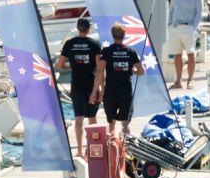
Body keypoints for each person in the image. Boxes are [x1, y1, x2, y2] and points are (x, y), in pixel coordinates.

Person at [56, 17, 101, 157]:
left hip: (76, 86)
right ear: (88, 29)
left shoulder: (69, 44)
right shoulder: (94, 44)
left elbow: (60, 65)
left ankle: (80, 151)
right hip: (91, 85)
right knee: (92, 118)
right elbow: (100, 68)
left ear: (77, 28)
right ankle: (93, 149)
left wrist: (72, 65)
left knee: (79, 118)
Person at [92, 22, 144, 140]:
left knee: (111, 124)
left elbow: (100, 71)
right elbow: (141, 71)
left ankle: (112, 148)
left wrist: (96, 91)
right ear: (124, 35)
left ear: (112, 35)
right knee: (125, 124)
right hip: (126, 91)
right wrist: (133, 70)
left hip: (111, 91)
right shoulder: (131, 52)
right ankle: (129, 149)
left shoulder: (107, 51)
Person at [167, 0, 204, 90]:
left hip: (189, 27)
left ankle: (190, 80)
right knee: (177, 55)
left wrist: (193, 28)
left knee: (191, 55)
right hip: (175, 27)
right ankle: (178, 81)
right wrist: (169, 24)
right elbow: (171, 9)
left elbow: (199, 13)